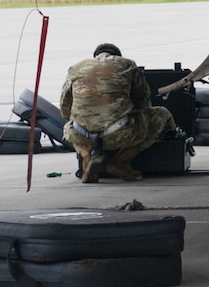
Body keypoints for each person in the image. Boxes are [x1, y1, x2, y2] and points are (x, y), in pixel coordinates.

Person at [60, 42, 176, 182]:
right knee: (161, 115)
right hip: (119, 135)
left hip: (82, 135)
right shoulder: (127, 65)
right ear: (118, 56)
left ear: (96, 56)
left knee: (68, 127)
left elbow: (64, 108)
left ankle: (86, 156)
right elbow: (142, 100)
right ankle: (120, 162)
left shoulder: (75, 68)